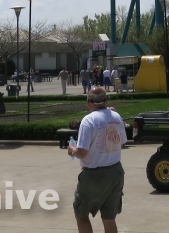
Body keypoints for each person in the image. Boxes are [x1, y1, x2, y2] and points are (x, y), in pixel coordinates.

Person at [68, 86, 126, 233]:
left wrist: (72, 151)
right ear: (106, 101)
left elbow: (82, 152)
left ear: (89, 102)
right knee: (109, 218)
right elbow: (122, 142)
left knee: (80, 213)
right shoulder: (116, 117)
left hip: (94, 176)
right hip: (116, 172)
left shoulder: (88, 120)